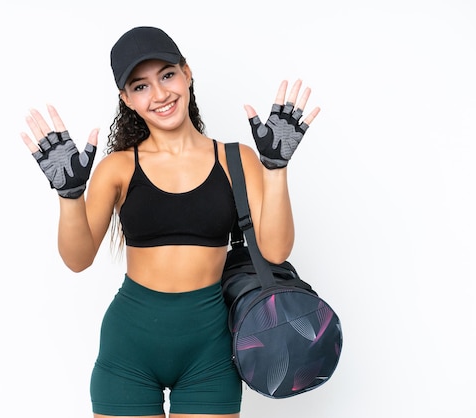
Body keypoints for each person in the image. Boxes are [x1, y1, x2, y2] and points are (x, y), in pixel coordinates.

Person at [20, 26, 319, 418]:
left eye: (167, 75)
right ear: (126, 99)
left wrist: (276, 169)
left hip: (209, 352)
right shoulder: (119, 168)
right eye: (140, 86)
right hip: (128, 349)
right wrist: (70, 196)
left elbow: (276, 250)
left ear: (187, 73)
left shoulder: (237, 160)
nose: (160, 95)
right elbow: (78, 259)